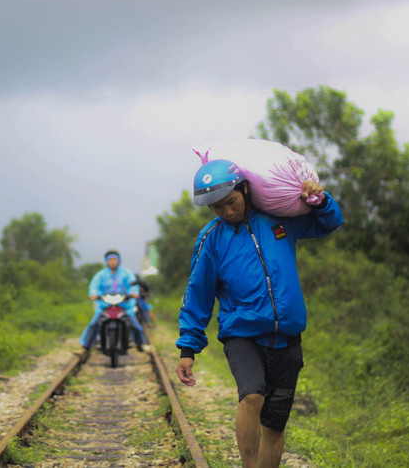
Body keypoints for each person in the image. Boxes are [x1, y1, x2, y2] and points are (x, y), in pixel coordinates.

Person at [175, 159, 343, 468]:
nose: (226, 211)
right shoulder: (211, 239)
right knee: (251, 396)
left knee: (275, 426)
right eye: (216, 207)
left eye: (231, 202)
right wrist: (188, 348)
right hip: (243, 334)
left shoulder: (279, 220)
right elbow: (198, 295)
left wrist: (320, 200)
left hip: (288, 337)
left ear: (245, 189)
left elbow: (329, 223)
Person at [79, 249, 147, 359]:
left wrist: (133, 293)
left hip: (123, 305)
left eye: (115, 259)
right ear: (106, 261)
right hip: (105, 305)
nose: (112, 262)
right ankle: (85, 347)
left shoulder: (126, 273)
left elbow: (133, 285)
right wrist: (94, 294)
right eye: (110, 259)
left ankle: (140, 344)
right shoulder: (100, 275)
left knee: (135, 325)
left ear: (119, 260)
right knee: (93, 324)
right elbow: (93, 286)